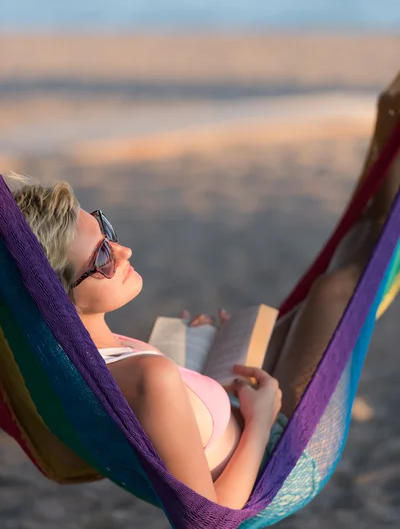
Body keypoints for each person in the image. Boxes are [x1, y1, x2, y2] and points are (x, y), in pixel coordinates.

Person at [8, 73, 400, 511]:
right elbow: (211, 520)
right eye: (101, 257)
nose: (124, 251)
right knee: (338, 288)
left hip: (237, 396)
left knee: (325, 292)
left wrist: (194, 358)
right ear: (54, 293)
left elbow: (166, 414)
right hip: (277, 456)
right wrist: (261, 417)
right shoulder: (143, 377)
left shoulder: (82, 356)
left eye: (108, 232)